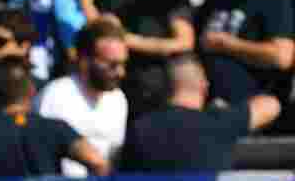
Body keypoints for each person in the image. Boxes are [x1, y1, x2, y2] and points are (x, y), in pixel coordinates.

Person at [118, 52, 280, 171]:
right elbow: (271, 105)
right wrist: (225, 111)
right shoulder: (218, 122)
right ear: (203, 85)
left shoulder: (140, 127)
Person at [34, 17, 129, 175]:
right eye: (111, 65)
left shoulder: (118, 99)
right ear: (84, 61)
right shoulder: (56, 96)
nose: (120, 72)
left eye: (123, 64)